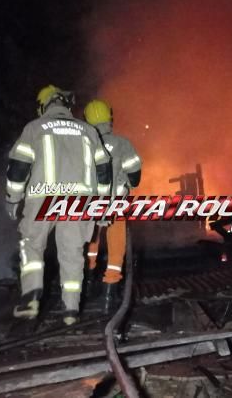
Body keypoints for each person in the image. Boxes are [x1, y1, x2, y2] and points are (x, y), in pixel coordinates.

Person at [5, 85, 111, 325]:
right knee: (72, 254)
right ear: (66, 105)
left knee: (32, 246)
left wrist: (12, 199)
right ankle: (71, 310)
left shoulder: (34, 128)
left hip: (42, 199)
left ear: (44, 105)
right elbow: (103, 171)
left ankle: (31, 297)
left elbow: (19, 167)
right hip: (78, 202)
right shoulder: (88, 131)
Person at [83, 98, 142, 313]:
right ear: (109, 118)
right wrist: (129, 183)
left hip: (89, 204)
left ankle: (87, 283)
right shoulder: (121, 143)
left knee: (90, 240)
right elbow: (134, 173)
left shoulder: (82, 144)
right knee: (116, 245)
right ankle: (109, 293)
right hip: (115, 204)